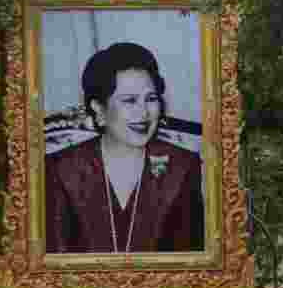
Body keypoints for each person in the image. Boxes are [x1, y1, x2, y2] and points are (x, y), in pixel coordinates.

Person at [45, 42, 204, 253]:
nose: (144, 113)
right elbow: (54, 264)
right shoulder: (61, 169)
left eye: (151, 99)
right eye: (130, 101)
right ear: (99, 109)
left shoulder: (182, 167)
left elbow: (190, 259)